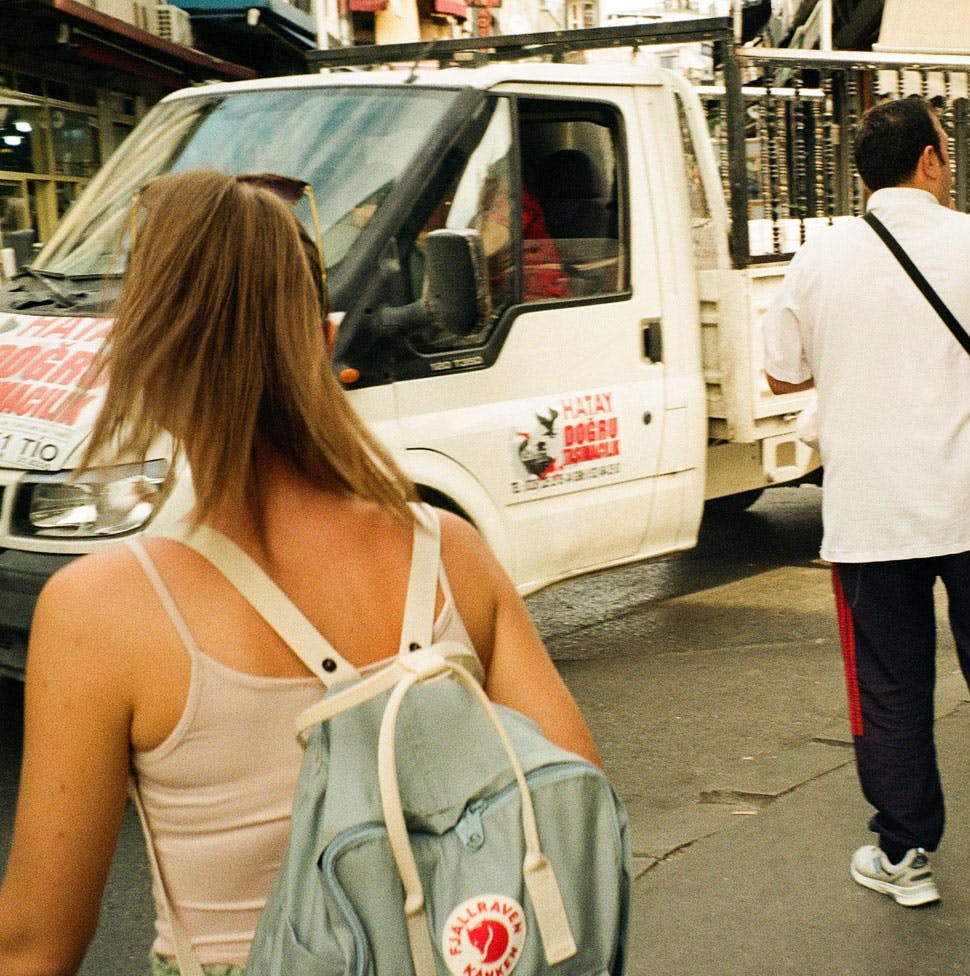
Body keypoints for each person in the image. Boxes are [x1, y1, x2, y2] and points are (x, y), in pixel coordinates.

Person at [0, 169, 600, 975]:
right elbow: (574, 798)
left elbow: (36, 944)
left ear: (143, 356)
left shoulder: (103, 611)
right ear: (322, 338)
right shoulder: (450, 553)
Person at [762, 96, 970, 907]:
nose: (948, 167)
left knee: (888, 684)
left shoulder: (819, 257)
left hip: (872, 512)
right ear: (927, 161)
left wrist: (858, 349)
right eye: (946, 154)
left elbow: (782, 372)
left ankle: (904, 855)